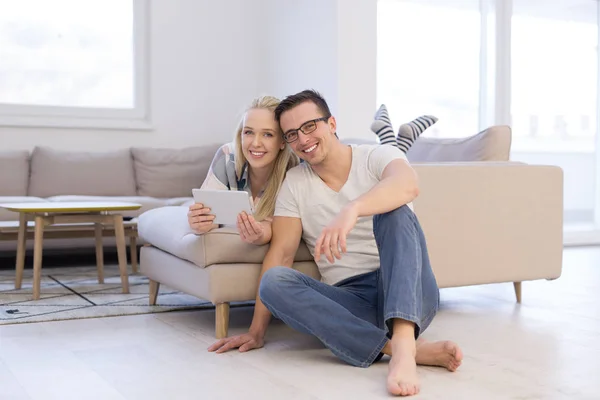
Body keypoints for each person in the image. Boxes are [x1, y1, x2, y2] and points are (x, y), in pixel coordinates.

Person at [207, 89, 463, 397]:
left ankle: (405, 349)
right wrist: (256, 331)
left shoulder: (376, 156)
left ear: (332, 123)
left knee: (395, 211)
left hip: (408, 289)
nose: (303, 139)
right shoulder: (296, 184)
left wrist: (352, 209)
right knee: (273, 281)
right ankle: (392, 347)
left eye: (310, 126)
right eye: (291, 134)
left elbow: (408, 185)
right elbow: (282, 254)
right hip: (353, 300)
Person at [187, 95, 299, 245]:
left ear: (282, 142)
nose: (256, 143)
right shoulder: (227, 156)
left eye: (268, 134)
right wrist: (200, 223)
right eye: (248, 132)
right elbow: (210, 216)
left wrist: (260, 234)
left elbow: (280, 227)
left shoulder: (294, 170)